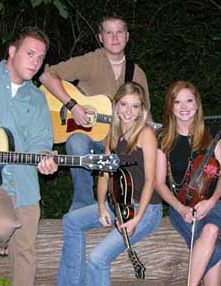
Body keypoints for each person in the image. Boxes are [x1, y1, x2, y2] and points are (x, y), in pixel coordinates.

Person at [0, 27, 58, 286]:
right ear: (12, 51)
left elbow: (40, 143)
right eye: (30, 54)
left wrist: (45, 160)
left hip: (24, 183)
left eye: (40, 58)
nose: (36, 62)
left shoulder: (37, 98)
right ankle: (0, 241)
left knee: (26, 253)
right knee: (3, 226)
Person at [39, 14, 150, 211]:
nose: (114, 38)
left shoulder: (137, 73)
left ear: (127, 36)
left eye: (119, 32)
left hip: (119, 142)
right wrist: (73, 106)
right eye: (109, 33)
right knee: (76, 141)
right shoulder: (91, 61)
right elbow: (47, 76)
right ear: (101, 38)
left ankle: (123, 202)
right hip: (91, 140)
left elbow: (145, 114)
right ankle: (84, 204)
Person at [57, 81, 162, 286]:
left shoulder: (146, 134)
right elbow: (104, 175)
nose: (128, 111)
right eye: (124, 104)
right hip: (117, 205)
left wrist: (137, 219)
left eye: (135, 106)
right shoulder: (112, 135)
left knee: (97, 258)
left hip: (145, 209)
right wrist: (100, 206)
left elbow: (151, 180)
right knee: (71, 221)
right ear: (115, 106)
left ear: (142, 110)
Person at [155, 81, 221, 286]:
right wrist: (179, 208)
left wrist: (211, 202)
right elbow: (159, 183)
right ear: (170, 107)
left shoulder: (210, 135)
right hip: (181, 206)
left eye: (189, 100)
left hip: (215, 204)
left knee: (211, 230)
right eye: (177, 102)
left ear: (197, 105)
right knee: (215, 249)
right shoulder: (163, 138)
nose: (184, 107)